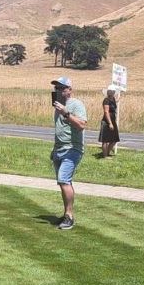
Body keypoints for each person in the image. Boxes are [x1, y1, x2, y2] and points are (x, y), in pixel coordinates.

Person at [51, 76, 87, 230]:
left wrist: (66, 113)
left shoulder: (76, 104)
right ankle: (66, 213)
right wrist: (54, 149)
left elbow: (81, 125)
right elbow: (59, 130)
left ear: (69, 90)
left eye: (62, 88)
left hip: (73, 148)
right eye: (56, 88)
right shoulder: (58, 107)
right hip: (59, 149)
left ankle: (69, 216)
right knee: (64, 182)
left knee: (63, 179)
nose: (58, 91)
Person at [99, 85, 120, 158]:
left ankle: (107, 153)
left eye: (113, 91)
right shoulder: (106, 100)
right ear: (109, 92)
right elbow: (106, 112)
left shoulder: (113, 99)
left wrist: (118, 99)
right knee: (105, 139)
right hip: (107, 120)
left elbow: (114, 104)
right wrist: (110, 123)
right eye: (111, 91)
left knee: (114, 138)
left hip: (113, 119)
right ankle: (105, 155)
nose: (112, 92)